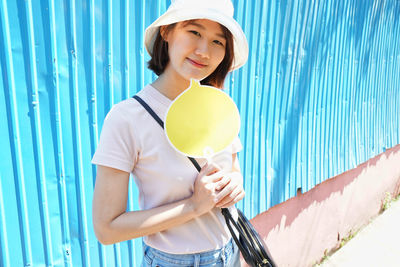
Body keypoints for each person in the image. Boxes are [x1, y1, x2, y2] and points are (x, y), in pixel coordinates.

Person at [91, 0, 249, 266]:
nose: (204, 51)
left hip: (229, 252)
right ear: (167, 31)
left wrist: (234, 185)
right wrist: (193, 206)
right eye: (194, 32)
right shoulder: (127, 118)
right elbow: (107, 229)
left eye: (217, 42)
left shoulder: (219, 105)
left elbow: (233, 170)